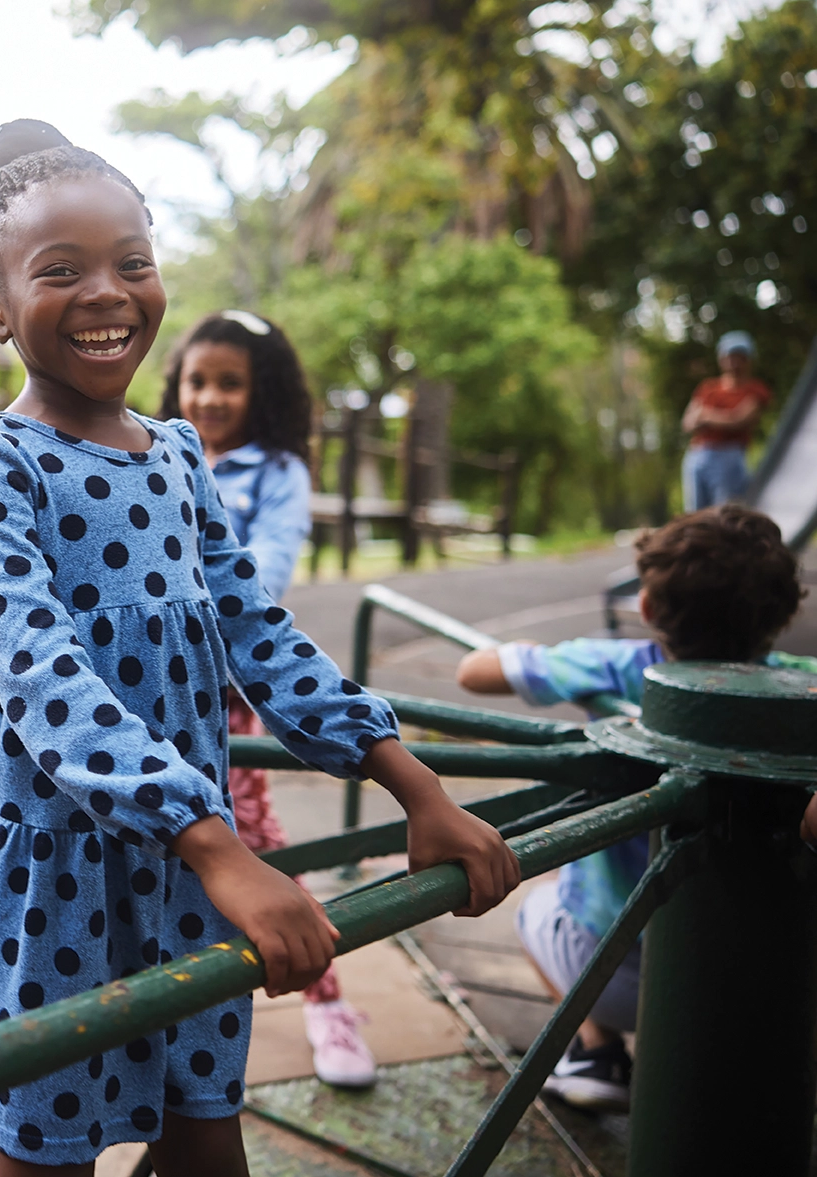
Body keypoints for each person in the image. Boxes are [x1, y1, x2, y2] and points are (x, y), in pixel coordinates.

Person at [0, 119, 519, 1175]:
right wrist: (218, 844)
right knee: (48, 1147)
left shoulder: (180, 453)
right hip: (60, 861)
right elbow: (38, 663)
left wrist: (414, 783)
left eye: (132, 263)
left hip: (193, 858)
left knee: (205, 1125)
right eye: (60, 272)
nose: (108, 292)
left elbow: (256, 628)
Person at [456, 503, 811, 1111]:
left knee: (535, 906)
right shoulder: (801, 686)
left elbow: (473, 673)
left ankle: (595, 1049)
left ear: (647, 608)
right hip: (768, 971)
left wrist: (535, 653)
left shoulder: (617, 666)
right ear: (781, 618)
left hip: (619, 976)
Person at [160, 310, 377, 1090]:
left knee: (252, 836)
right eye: (197, 380)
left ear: (263, 392)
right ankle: (149, 1003)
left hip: (222, 688)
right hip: (146, 688)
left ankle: (327, 1001)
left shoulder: (276, 470)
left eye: (229, 383)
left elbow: (265, 573)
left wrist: (182, 612)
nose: (209, 397)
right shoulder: (150, 449)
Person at [680, 330, 770, 510]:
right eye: (730, 356)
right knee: (695, 515)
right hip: (697, 456)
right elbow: (688, 422)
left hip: (730, 456)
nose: (734, 362)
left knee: (725, 515)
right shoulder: (707, 387)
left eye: (740, 357)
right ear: (721, 359)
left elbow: (739, 421)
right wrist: (722, 417)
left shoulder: (755, 389)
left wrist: (705, 415)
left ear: (749, 360)